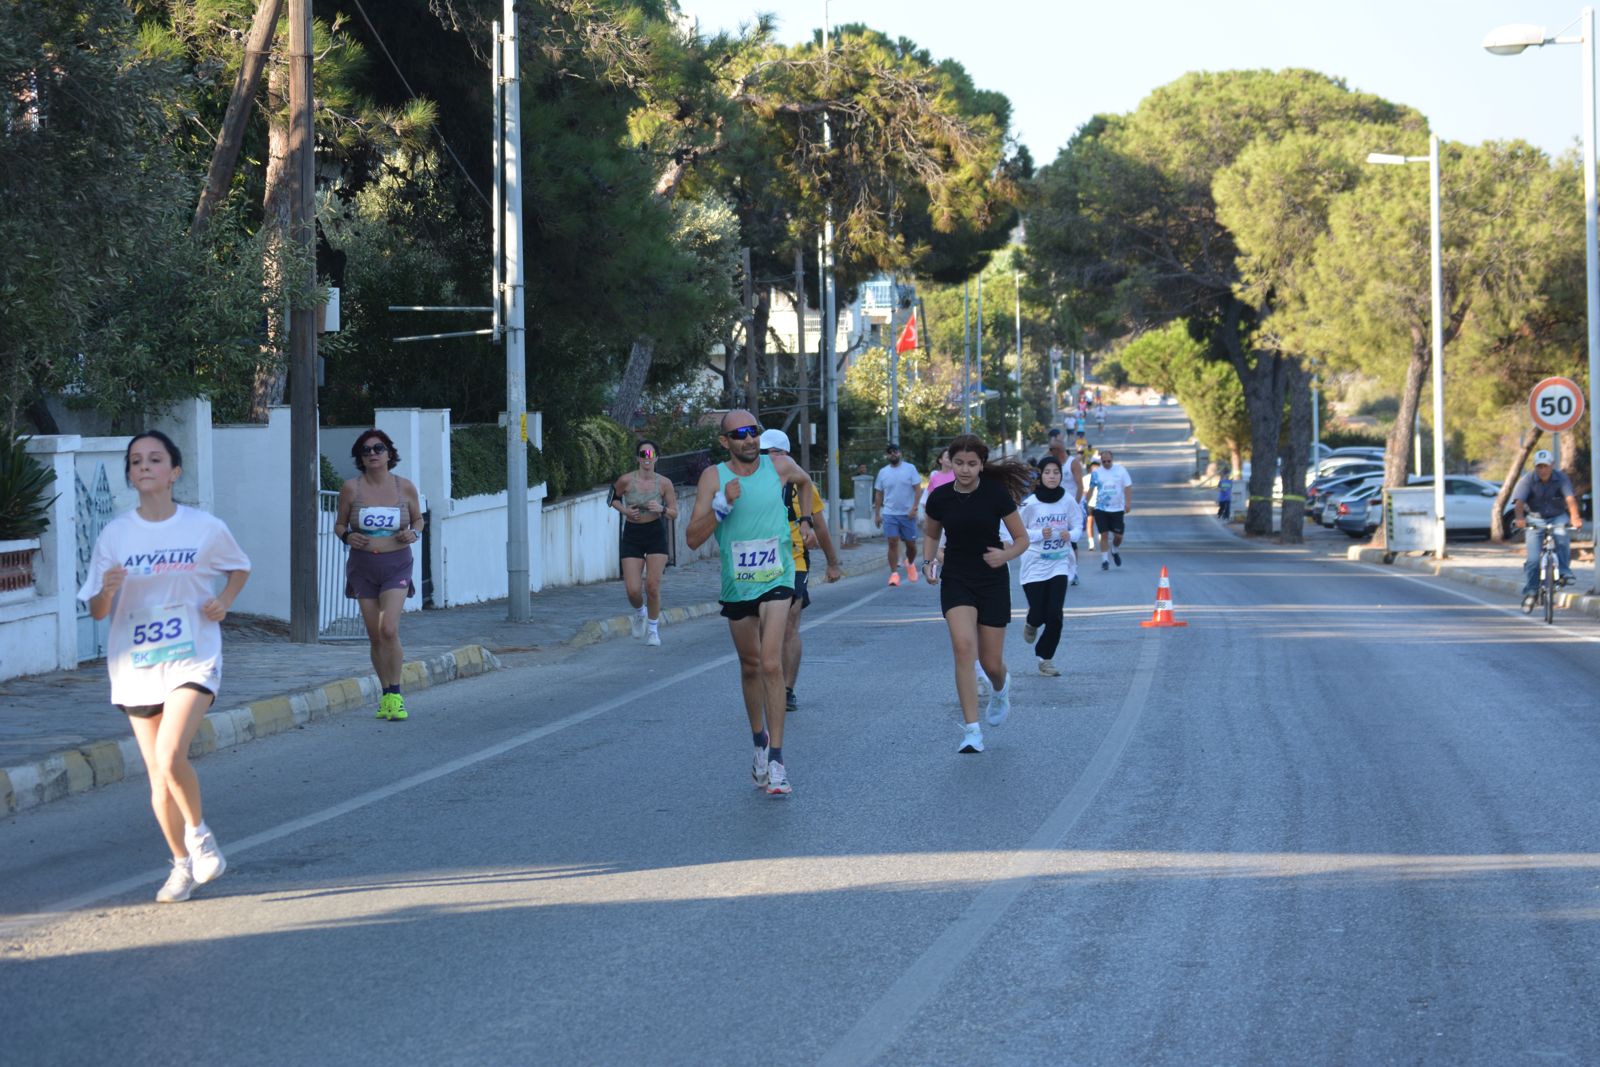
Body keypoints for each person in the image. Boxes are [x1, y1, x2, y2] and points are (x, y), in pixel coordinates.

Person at [78, 431, 251, 903]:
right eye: (136, 461)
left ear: (175, 471)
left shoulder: (204, 528)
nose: (145, 466)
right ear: (130, 475)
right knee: (158, 774)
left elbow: (239, 567)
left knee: (172, 754)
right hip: (135, 663)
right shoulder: (116, 534)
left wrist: (224, 602)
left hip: (192, 655)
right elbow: (95, 610)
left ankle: (199, 834)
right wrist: (108, 590)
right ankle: (180, 865)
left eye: (155, 459)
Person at [685, 411, 823, 796]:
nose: (749, 439)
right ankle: (760, 742)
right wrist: (721, 508)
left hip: (777, 577)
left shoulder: (779, 466)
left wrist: (807, 521)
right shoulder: (714, 478)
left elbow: (806, 482)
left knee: (770, 661)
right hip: (738, 583)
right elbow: (693, 539)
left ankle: (778, 761)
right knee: (749, 667)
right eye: (740, 434)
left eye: (754, 432)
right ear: (725, 441)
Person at [921, 434, 1032, 754]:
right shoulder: (939, 497)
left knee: (992, 662)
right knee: (963, 647)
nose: (965, 469)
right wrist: (928, 562)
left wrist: (1005, 556)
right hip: (956, 576)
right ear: (948, 463)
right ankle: (972, 731)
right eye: (959, 463)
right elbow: (931, 534)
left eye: (972, 464)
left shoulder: (996, 494)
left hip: (992, 578)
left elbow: (1021, 539)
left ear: (982, 465)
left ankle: (1000, 689)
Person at [335, 429, 425, 720]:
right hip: (363, 567)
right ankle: (385, 693)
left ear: (389, 454)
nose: (372, 454)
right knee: (375, 636)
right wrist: (348, 537)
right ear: (360, 458)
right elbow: (339, 524)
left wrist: (413, 533)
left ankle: (396, 694)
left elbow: (419, 519)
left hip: (396, 564)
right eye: (366, 450)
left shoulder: (405, 487)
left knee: (389, 629)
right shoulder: (351, 488)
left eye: (378, 448)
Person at [760, 429, 843, 714]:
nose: (765, 458)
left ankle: (787, 689)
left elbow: (820, 525)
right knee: (763, 624)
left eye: (770, 453)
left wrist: (833, 562)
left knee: (789, 623)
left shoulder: (801, 484)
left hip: (794, 559)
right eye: (762, 453)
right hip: (760, 563)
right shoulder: (751, 479)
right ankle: (770, 679)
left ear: (782, 454)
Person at [1018, 456, 1085, 677]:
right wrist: (1039, 534)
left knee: (1055, 613)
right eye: (1047, 472)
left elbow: (1078, 526)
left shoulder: (1067, 501)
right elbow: (1017, 531)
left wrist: (1071, 534)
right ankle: (1031, 622)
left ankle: (1045, 659)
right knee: (1038, 612)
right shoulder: (1030, 504)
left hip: (1059, 562)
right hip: (1034, 564)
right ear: (1040, 475)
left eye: (1056, 472)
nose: (1052, 476)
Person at [611, 440, 678, 646]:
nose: (647, 458)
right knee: (633, 590)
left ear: (656, 457)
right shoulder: (626, 480)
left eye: (651, 454)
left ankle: (653, 630)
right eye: (643, 454)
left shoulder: (664, 483)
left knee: (652, 585)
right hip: (633, 533)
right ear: (637, 458)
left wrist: (662, 509)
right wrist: (625, 511)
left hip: (655, 532)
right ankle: (640, 612)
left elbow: (674, 513)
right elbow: (612, 499)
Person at [1513, 449, 1584, 604]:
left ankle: (1564, 571)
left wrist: (1575, 517)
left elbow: (1570, 499)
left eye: (1545, 466)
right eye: (1539, 466)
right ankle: (1531, 591)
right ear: (1535, 467)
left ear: (1552, 465)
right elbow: (1519, 502)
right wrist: (1520, 519)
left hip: (1557, 516)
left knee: (1562, 536)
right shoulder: (1528, 480)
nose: (1542, 470)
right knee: (1533, 560)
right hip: (1535, 519)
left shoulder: (1561, 478)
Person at [874, 442, 923, 586]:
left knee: (911, 545)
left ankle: (911, 562)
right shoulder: (883, 472)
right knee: (892, 542)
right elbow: (878, 493)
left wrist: (914, 508)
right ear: (887, 455)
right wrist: (877, 514)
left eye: (895, 451)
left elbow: (918, 489)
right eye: (890, 452)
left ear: (900, 453)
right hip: (890, 514)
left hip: (907, 514)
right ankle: (894, 574)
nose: (893, 454)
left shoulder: (910, 469)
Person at [1092, 449, 1133, 570]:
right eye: (1104, 461)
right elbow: (1090, 490)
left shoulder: (1121, 470)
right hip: (1101, 508)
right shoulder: (1097, 473)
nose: (1106, 463)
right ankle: (1105, 560)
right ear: (1101, 461)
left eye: (1108, 461)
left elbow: (1128, 486)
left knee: (1119, 536)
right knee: (1103, 534)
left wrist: (1128, 503)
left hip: (1117, 509)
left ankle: (1114, 550)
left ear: (1112, 459)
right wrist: (1086, 504)